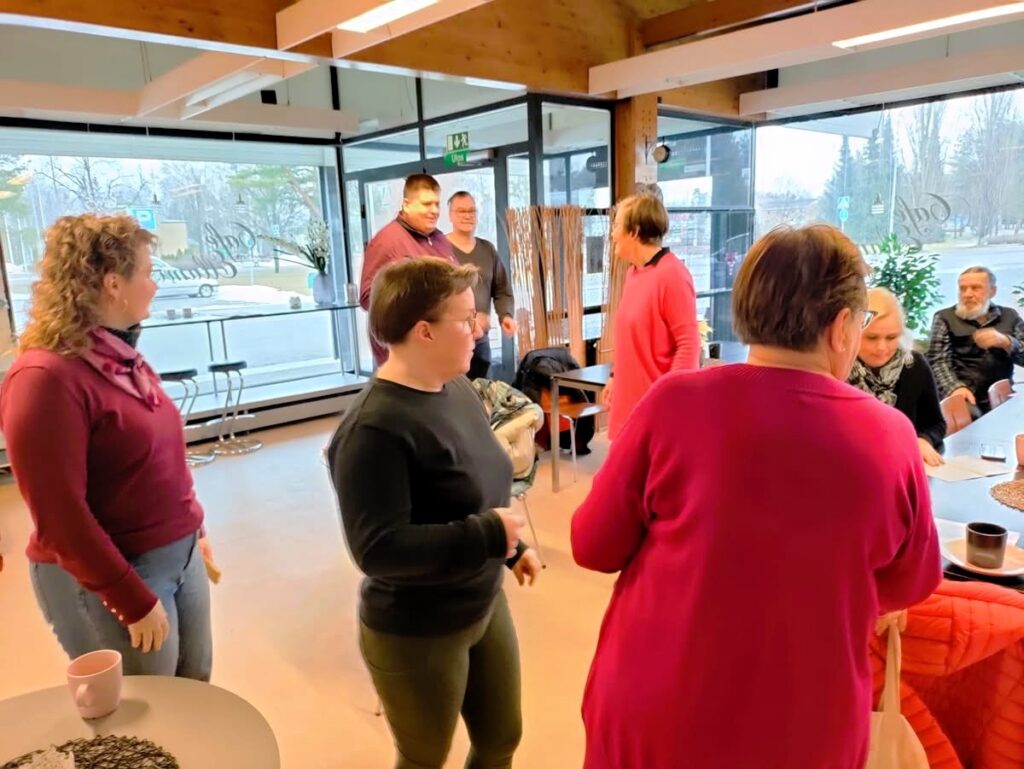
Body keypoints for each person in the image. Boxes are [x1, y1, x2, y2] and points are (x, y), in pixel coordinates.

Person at [571, 224, 941, 769]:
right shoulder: (890, 438)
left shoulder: (672, 403)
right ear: (842, 327)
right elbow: (910, 581)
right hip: (803, 725)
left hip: (655, 709)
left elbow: (592, 544)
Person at [329, 257, 542, 769]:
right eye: (466, 319)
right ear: (423, 331)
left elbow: (472, 488)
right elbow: (379, 549)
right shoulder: (372, 430)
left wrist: (510, 547)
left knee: (501, 739)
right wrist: (487, 536)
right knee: (424, 758)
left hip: (482, 601)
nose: (479, 328)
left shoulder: (457, 387)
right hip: (416, 627)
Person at [0, 214, 213, 679]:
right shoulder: (45, 378)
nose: (155, 285)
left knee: (195, 693)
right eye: (148, 273)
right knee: (149, 712)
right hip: (113, 575)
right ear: (114, 284)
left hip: (176, 557)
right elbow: (60, 517)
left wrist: (193, 529)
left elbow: (162, 459)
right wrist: (130, 599)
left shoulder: (121, 358)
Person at [602, 193, 700, 440]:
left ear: (634, 231)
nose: (612, 234)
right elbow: (630, 339)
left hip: (657, 410)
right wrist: (615, 377)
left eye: (616, 226)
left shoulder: (672, 275)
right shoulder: (633, 274)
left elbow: (689, 345)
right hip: (628, 404)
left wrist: (668, 399)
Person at [359, 173, 457, 366]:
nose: (434, 211)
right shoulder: (387, 242)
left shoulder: (439, 239)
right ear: (406, 204)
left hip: (440, 352)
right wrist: (417, 296)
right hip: (406, 359)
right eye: (426, 204)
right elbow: (368, 297)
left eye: (437, 204)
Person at [849, 287, 946, 466]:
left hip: (903, 465)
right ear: (853, 332)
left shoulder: (914, 364)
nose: (882, 347)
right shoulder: (839, 369)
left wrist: (923, 440)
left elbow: (935, 423)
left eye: (891, 337)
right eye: (872, 338)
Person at [927, 265, 1024, 413]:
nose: (967, 294)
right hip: (963, 396)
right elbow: (937, 361)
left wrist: (1007, 342)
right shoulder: (944, 318)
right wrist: (955, 388)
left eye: (975, 288)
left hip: (1002, 397)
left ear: (992, 291)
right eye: (963, 289)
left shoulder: (1010, 316)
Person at [446, 191, 516, 380]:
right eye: (461, 211)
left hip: (481, 342)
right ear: (450, 215)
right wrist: (466, 319)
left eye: (472, 211)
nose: (467, 215)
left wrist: (506, 315)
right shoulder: (440, 250)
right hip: (451, 343)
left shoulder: (487, 249)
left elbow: (501, 289)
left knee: (484, 392)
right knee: (455, 392)